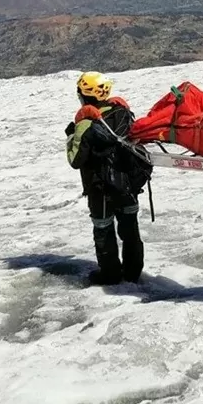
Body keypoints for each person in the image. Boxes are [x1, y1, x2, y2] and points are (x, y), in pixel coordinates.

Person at [64, 71, 145, 285]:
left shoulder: (85, 123)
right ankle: (133, 272)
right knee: (130, 229)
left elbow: (75, 159)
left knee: (103, 229)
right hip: (127, 184)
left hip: (100, 188)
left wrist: (71, 134)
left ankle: (110, 275)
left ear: (84, 95)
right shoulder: (123, 112)